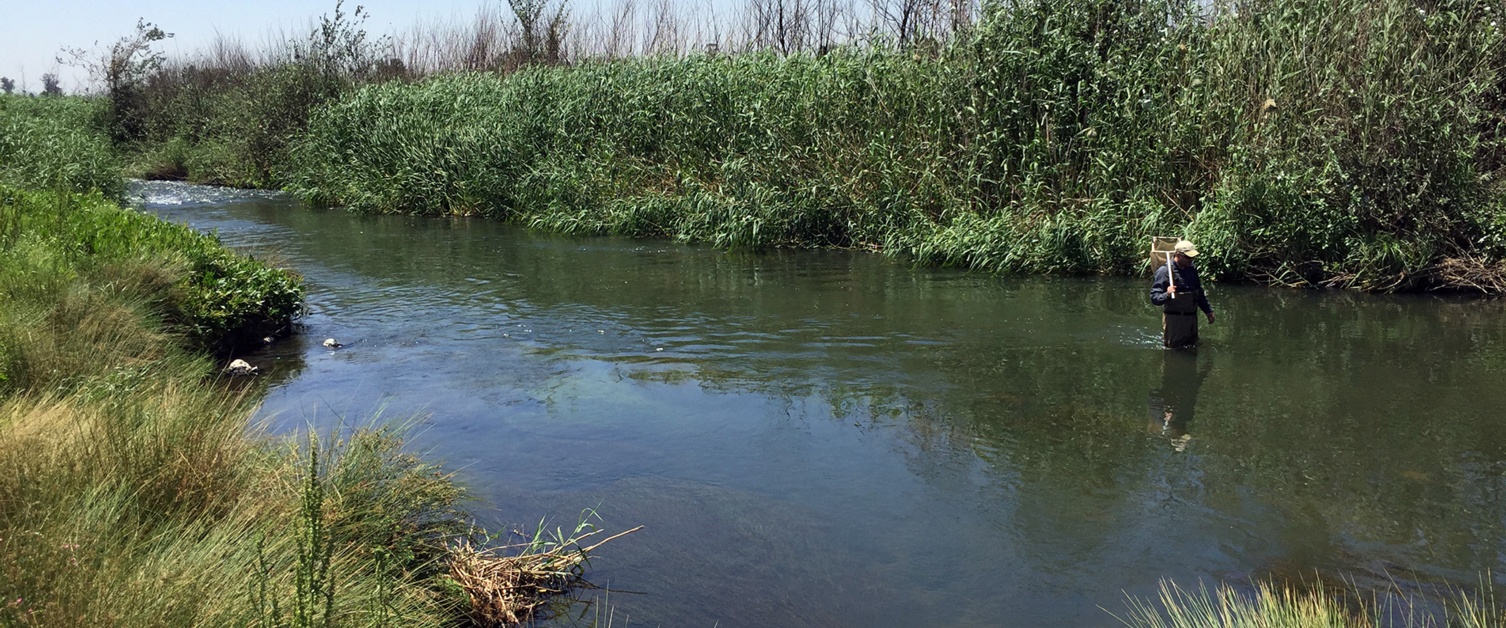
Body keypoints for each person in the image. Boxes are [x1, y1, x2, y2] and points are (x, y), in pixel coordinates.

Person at [1149, 239, 1214, 349]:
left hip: (1191, 318)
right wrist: (1167, 294)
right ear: (1178, 255)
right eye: (1188, 257)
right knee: (1174, 351)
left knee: (1192, 348)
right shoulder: (1164, 271)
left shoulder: (1192, 269)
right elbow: (1154, 298)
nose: (1191, 260)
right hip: (1174, 320)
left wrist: (1208, 311)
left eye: (1193, 257)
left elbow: (1199, 292)